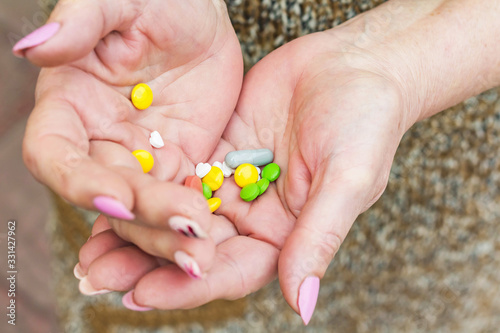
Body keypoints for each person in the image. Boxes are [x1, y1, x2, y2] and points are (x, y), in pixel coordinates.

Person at [14, 0, 500, 330]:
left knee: (404, 304)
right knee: (134, 229)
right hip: (148, 71)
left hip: (443, 83)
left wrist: (396, 63)